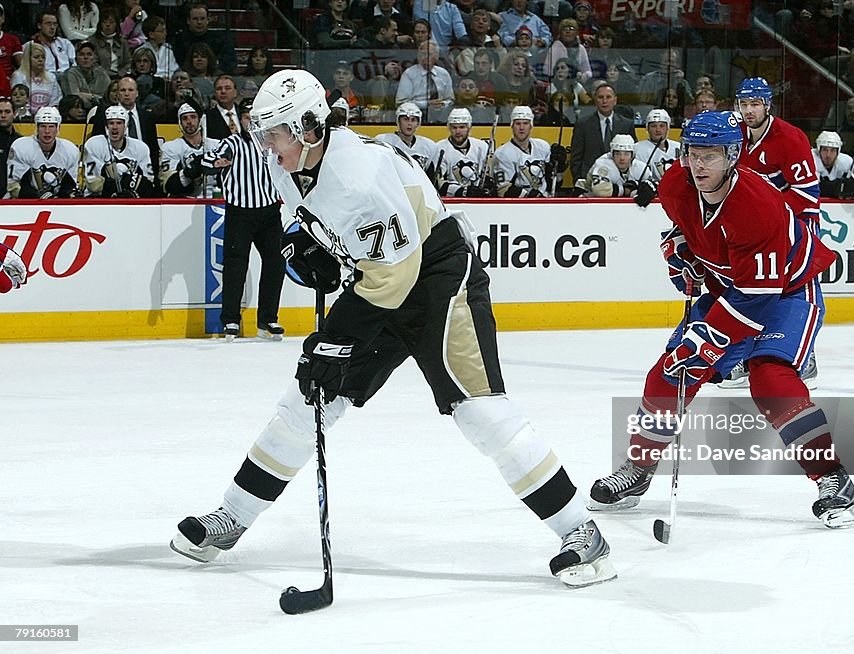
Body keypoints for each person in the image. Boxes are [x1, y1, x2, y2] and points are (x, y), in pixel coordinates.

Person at [170, 69, 616, 588]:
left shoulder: (357, 175)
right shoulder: (286, 164)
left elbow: (397, 274)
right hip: (380, 281)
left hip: (436, 278)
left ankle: (582, 532)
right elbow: (314, 229)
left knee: (479, 412)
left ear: (309, 127)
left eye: (275, 133)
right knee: (308, 400)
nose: (266, 144)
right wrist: (307, 251)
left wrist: (334, 339)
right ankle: (232, 517)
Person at [593, 111, 854, 530]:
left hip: (787, 293)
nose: (699, 165)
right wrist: (682, 251)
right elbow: (688, 230)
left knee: (770, 379)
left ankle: (834, 480)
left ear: (734, 155)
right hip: (732, 291)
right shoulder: (675, 185)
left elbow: (758, 296)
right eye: (692, 153)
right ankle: (637, 468)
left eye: (711, 155)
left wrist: (706, 339)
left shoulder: (757, 206)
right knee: (668, 374)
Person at [726, 77, 820, 389]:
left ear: (767, 104)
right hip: (756, 230)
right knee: (749, 288)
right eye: (744, 104)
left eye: (755, 104)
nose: (749, 110)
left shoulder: (790, 138)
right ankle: (744, 354)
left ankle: (804, 357)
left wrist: (770, 218)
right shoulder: (736, 136)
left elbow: (807, 195)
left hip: (797, 227)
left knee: (797, 291)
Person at [201, 99, 285, 341]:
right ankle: (230, 320)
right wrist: (217, 163)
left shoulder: (272, 145)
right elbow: (206, 161)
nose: (252, 122)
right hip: (240, 212)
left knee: (275, 263)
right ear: (241, 120)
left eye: (255, 118)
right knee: (235, 266)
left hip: (270, 212)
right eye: (247, 117)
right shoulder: (233, 143)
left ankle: (268, 318)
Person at [7, 106, 80, 199]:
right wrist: (37, 198)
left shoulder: (70, 149)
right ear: (37, 127)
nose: (47, 131)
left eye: (51, 126)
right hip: (25, 202)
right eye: (43, 126)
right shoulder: (21, 146)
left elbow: (70, 186)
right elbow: (13, 185)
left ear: (58, 128)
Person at [569, 82, 636, 183]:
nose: (605, 101)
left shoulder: (627, 124)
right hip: (590, 182)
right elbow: (576, 158)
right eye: (600, 97)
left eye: (608, 97)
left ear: (615, 100)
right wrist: (580, 180)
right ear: (595, 100)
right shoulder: (583, 124)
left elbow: (633, 154)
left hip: (621, 182)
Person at [82, 105, 155, 198]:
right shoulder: (94, 144)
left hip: (133, 199)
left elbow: (149, 181)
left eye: (119, 123)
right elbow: (93, 183)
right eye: (111, 123)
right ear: (106, 126)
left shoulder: (140, 147)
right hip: (98, 200)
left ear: (126, 126)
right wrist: (125, 185)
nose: (115, 127)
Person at [160, 101, 220, 198]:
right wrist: (189, 172)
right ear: (179, 122)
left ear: (200, 120)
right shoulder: (170, 147)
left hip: (215, 199)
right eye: (185, 118)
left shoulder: (217, 145)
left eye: (193, 117)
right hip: (186, 201)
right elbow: (168, 185)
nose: (189, 121)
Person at [494, 105, 556, 197]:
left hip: (545, 202)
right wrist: (529, 196)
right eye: (518, 123)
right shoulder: (502, 153)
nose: (521, 128)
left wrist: (559, 167)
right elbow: (502, 189)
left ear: (531, 126)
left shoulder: (543, 146)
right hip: (518, 206)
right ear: (512, 126)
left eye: (525, 123)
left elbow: (551, 180)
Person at [376, 102, 442, 184]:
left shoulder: (429, 146)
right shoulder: (384, 141)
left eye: (413, 120)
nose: (409, 123)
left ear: (418, 123)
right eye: (406, 119)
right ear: (398, 121)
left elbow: (430, 178)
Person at [436, 106, 493, 196]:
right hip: (451, 202)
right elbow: (438, 182)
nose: (458, 131)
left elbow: (489, 176)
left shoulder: (482, 147)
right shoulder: (440, 148)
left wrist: (487, 187)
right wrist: (461, 191)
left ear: (469, 128)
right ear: (449, 128)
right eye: (454, 127)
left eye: (462, 127)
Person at [632, 108, 679, 186]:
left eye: (662, 126)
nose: (658, 130)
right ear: (647, 128)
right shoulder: (638, 149)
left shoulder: (678, 147)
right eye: (653, 126)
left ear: (667, 128)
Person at [812, 130, 854, 199]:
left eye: (832, 150)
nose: (828, 155)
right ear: (819, 149)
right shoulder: (811, 159)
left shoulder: (847, 161)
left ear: (838, 152)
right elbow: (813, 188)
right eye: (825, 150)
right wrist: (836, 187)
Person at [204, 74, 240, 139]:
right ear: (215, 93)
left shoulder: (244, 113)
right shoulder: (207, 117)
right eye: (219, 89)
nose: (223, 91)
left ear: (235, 92)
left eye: (227, 88)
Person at [0, 97, 21, 195]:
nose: (3, 115)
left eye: (7, 112)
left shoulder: (21, 141)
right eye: (0, 112)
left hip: (13, 198)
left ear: (15, 113)